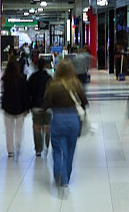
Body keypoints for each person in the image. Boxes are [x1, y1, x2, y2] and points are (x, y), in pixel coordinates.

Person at [43, 60, 88, 194]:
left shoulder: (52, 85)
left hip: (57, 119)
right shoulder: (76, 84)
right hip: (73, 120)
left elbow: (45, 104)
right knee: (70, 149)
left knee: (57, 149)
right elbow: (84, 102)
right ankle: (66, 176)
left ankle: (59, 173)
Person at [0, 56, 31, 157]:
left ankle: (10, 150)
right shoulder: (22, 80)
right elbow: (25, 95)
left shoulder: (5, 80)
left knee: (9, 129)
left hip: (8, 108)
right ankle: (18, 144)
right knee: (19, 128)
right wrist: (27, 108)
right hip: (20, 108)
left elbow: (4, 94)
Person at [27, 55, 52, 158]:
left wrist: (28, 106)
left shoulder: (32, 78)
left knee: (37, 127)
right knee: (47, 126)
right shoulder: (49, 78)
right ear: (45, 66)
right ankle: (46, 144)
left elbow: (28, 92)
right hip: (48, 107)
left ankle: (38, 149)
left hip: (36, 106)